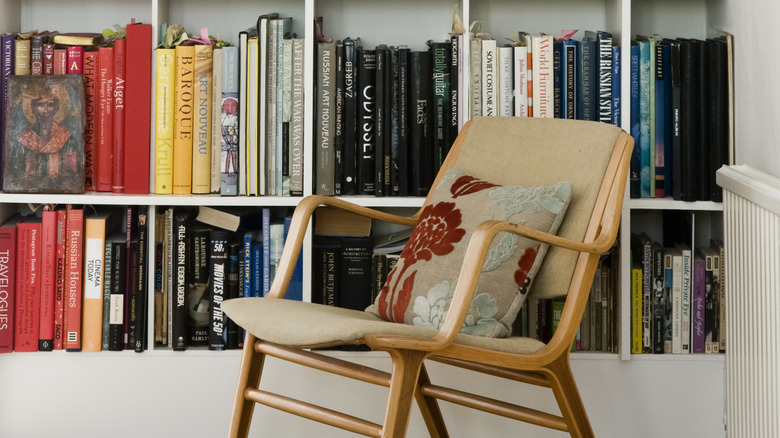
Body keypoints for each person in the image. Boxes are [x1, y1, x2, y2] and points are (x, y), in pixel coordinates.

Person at [14, 92, 79, 178]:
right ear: (34, 109)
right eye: (41, 105)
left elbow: (71, 173)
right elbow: (16, 170)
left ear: (55, 109)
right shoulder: (24, 138)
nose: (46, 109)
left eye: (50, 105)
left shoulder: (67, 137)